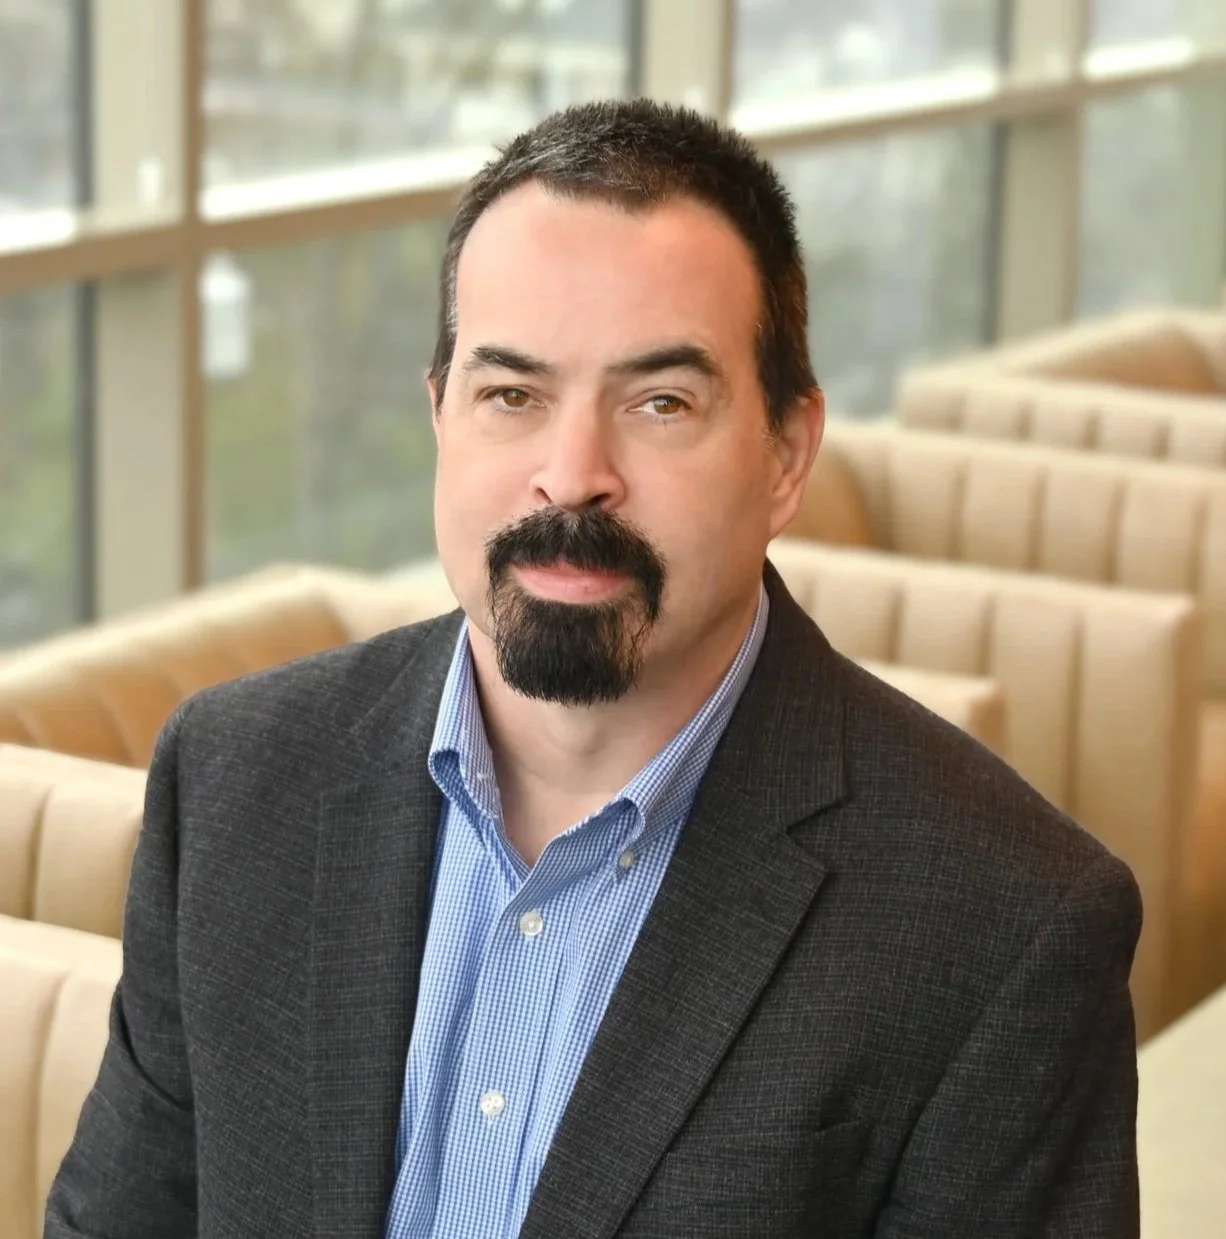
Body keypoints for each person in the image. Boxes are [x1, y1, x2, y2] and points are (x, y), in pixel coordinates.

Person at [46, 100, 1141, 1239]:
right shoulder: (232, 781)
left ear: (786, 454)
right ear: (440, 417)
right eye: (511, 395)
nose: (571, 477)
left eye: (660, 403)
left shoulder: (1005, 923)